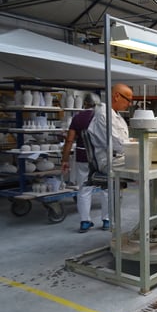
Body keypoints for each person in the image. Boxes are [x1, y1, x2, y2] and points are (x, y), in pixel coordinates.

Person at [87, 83, 157, 217]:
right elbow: (118, 145)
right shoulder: (104, 115)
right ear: (117, 96)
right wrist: (138, 143)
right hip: (111, 161)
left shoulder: (115, 116)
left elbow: (125, 141)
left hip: (123, 156)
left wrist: (138, 142)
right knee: (154, 166)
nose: (130, 104)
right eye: (128, 100)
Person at [61, 93, 109, 233]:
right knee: (106, 188)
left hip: (83, 157)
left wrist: (65, 159)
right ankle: (107, 220)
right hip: (102, 158)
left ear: (85, 104)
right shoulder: (104, 117)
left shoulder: (78, 117)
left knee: (84, 189)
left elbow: (69, 140)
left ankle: (85, 222)